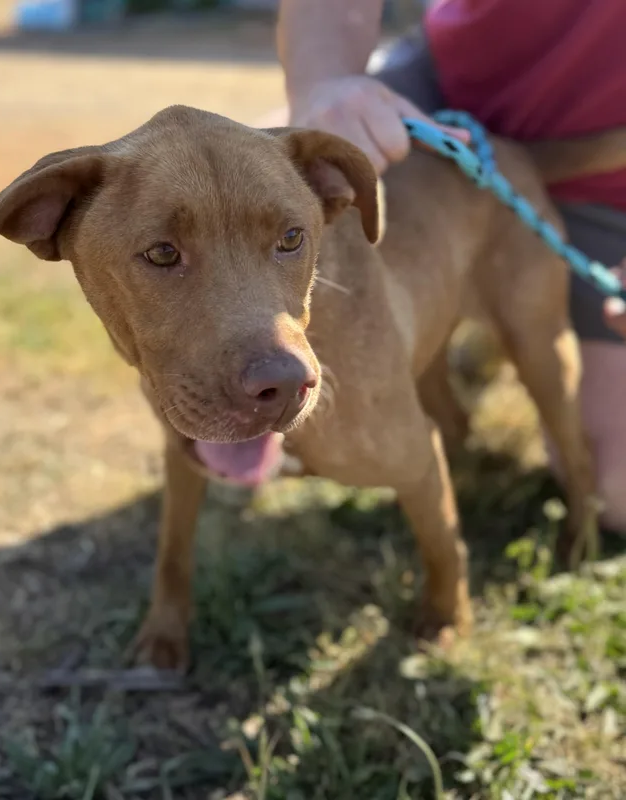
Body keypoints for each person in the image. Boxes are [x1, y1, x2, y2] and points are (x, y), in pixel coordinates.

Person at [263, 0, 626, 532]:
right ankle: (474, 334)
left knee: (613, 490)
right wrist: (324, 84)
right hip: (441, 102)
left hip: (608, 179)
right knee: (240, 184)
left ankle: (497, 327)